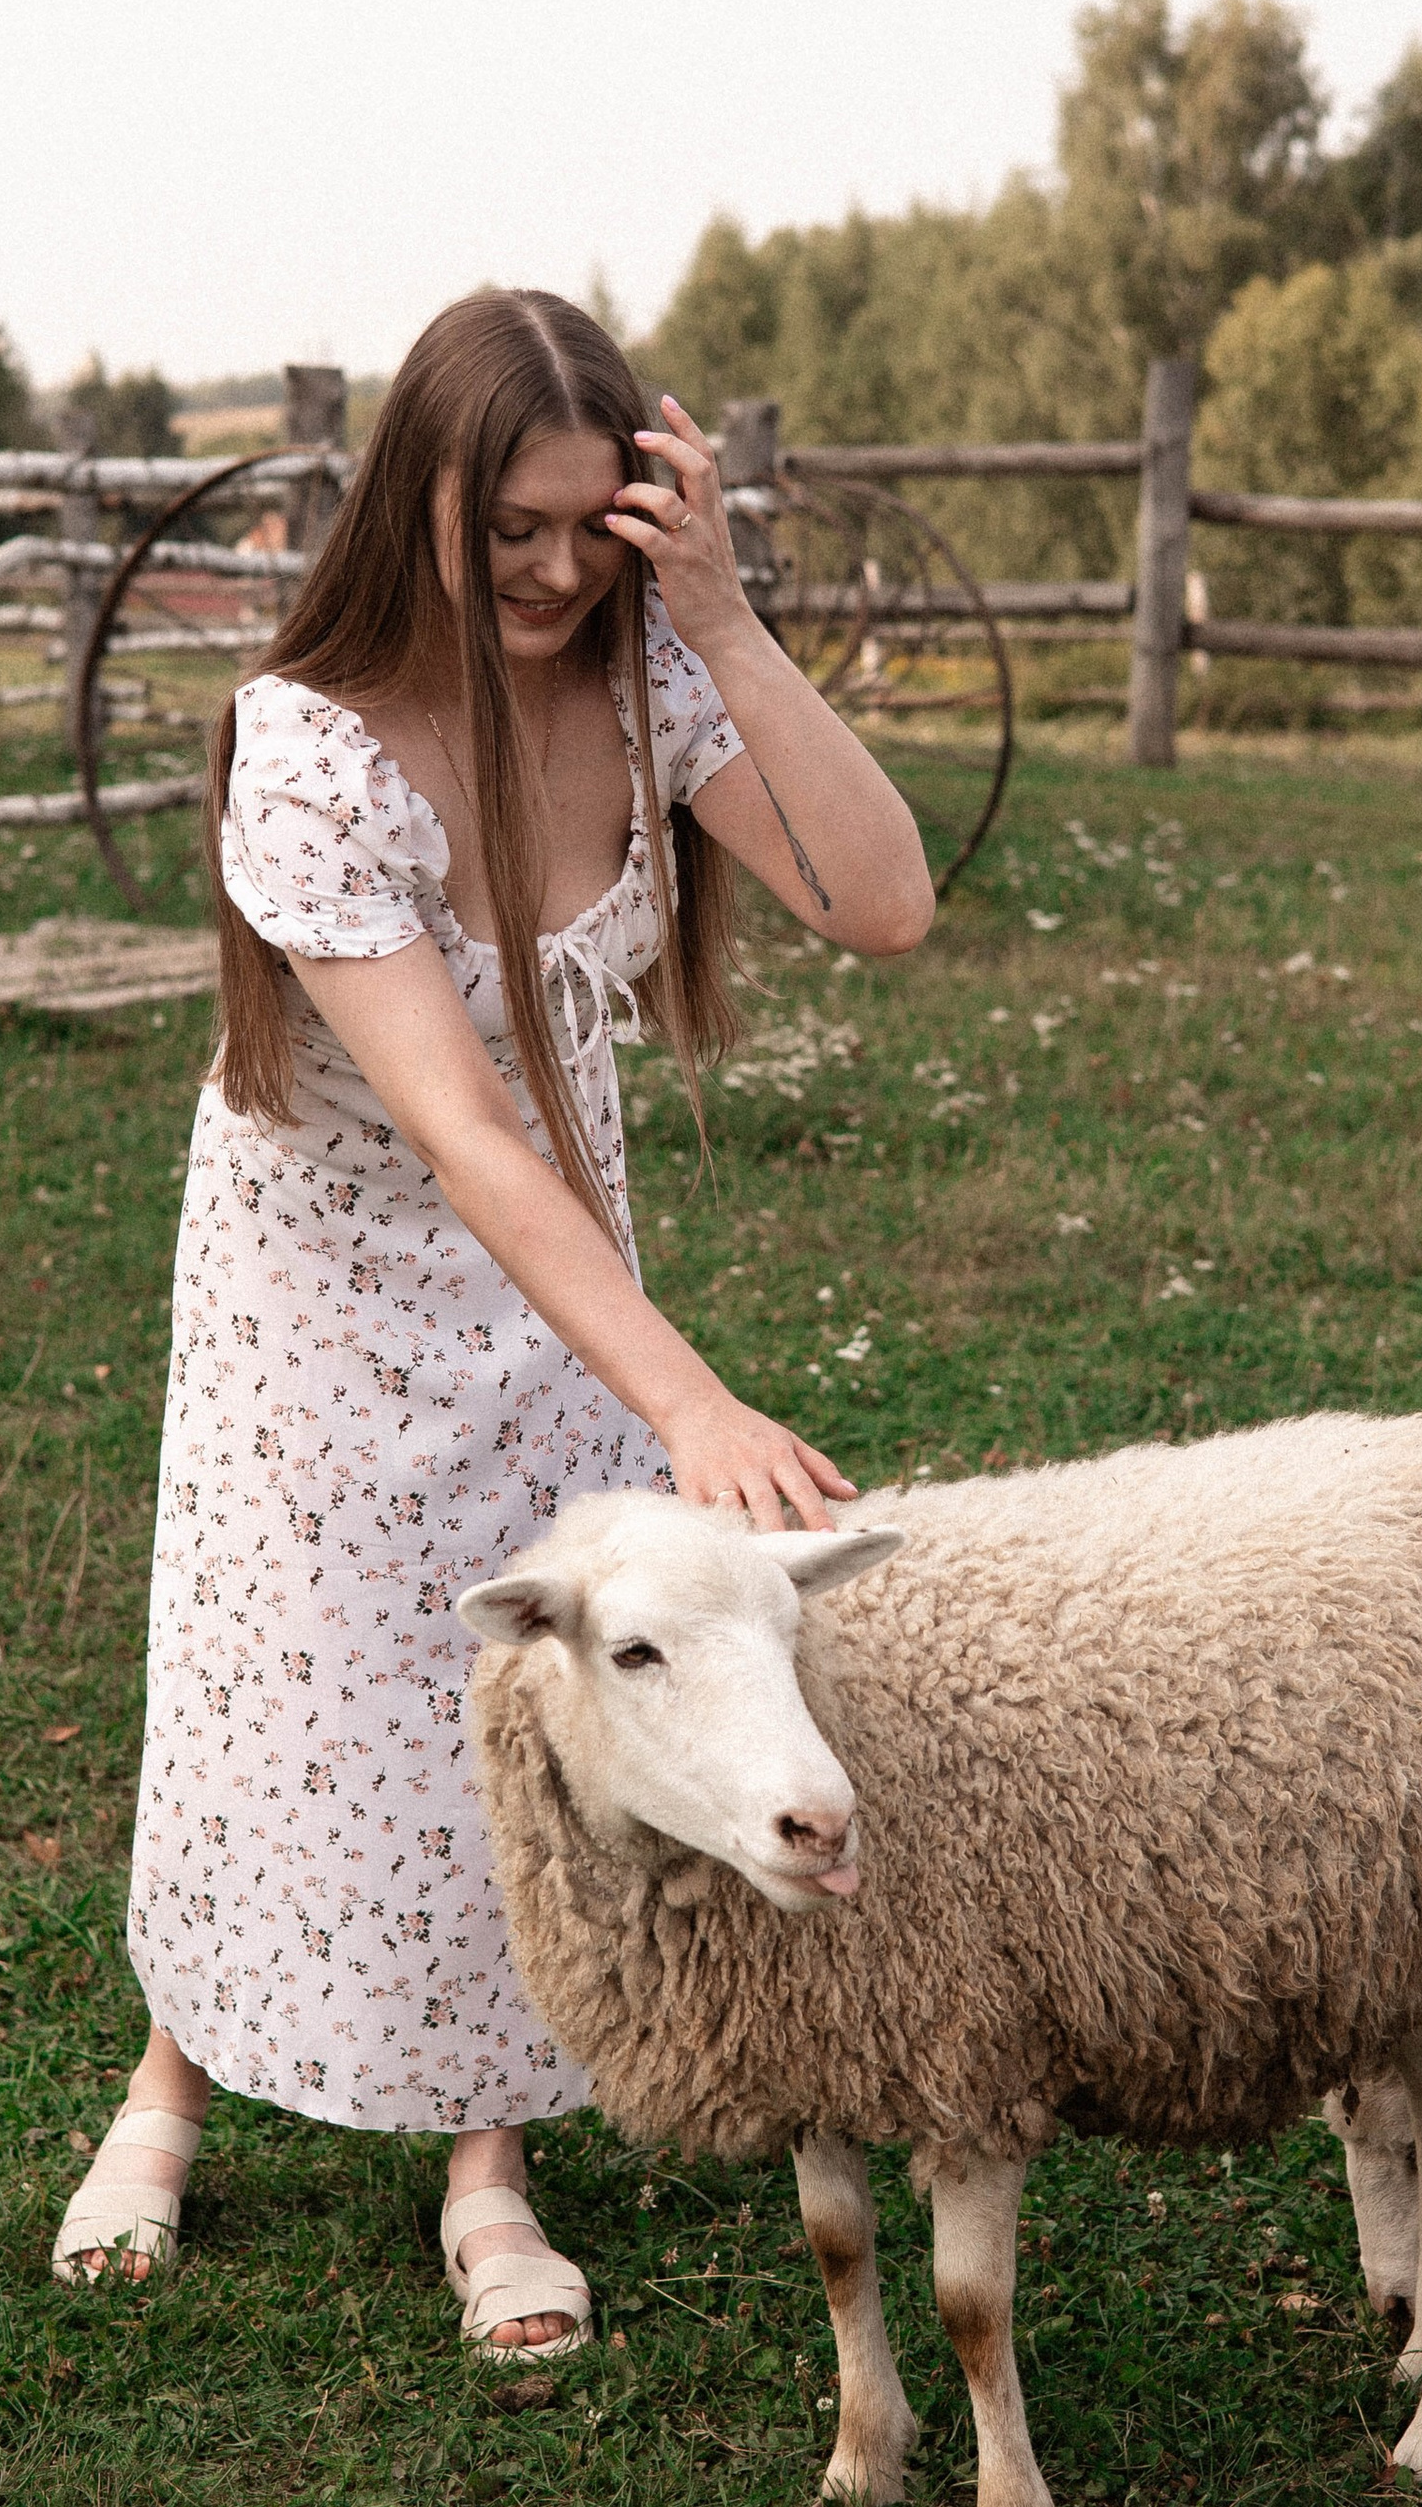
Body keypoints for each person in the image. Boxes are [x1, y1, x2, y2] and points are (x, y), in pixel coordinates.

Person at [51, 287, 935, 2348]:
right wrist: (691, 1400)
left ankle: (488, 2165)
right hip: (328, 1261)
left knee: (524, 1701)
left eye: (584, 528)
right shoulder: (309, 740)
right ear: (417, 505)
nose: (549, 574)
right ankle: (168, 2084)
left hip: (558, 1262)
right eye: (506, 531)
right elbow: (452, 1118)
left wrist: (713, 620)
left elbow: (882, 900)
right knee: (286, 1674)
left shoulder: (646, 687)